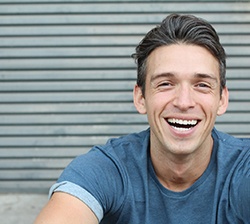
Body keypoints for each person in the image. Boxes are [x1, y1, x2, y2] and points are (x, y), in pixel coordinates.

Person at [34, 14, 250, 224]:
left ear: (222, 99)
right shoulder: (107, 168)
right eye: (165, 83)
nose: (184, 102)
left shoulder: (242, 170)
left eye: (202, 85)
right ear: (140, 98)